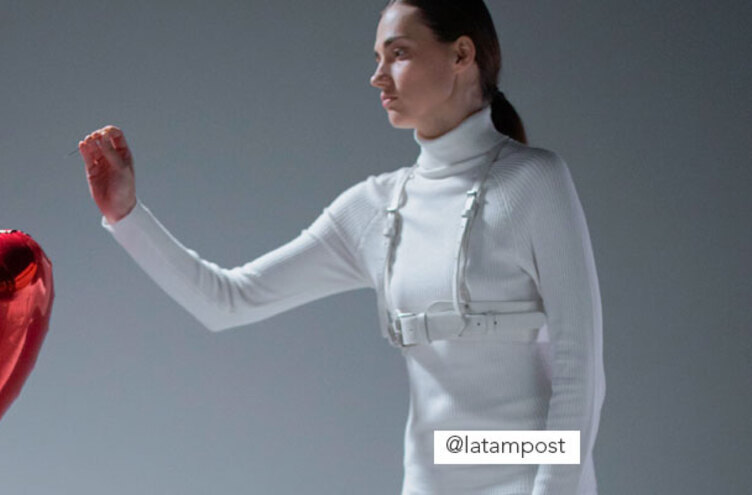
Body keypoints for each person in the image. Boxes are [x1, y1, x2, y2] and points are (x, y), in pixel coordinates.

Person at [77, 1, 604, 493]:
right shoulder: (374, 209)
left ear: (462, 54)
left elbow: (580, 366)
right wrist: (126, 216)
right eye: (377, 58)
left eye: (398, 54)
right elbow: (228, 300)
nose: (377, 77)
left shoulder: (535, 182)